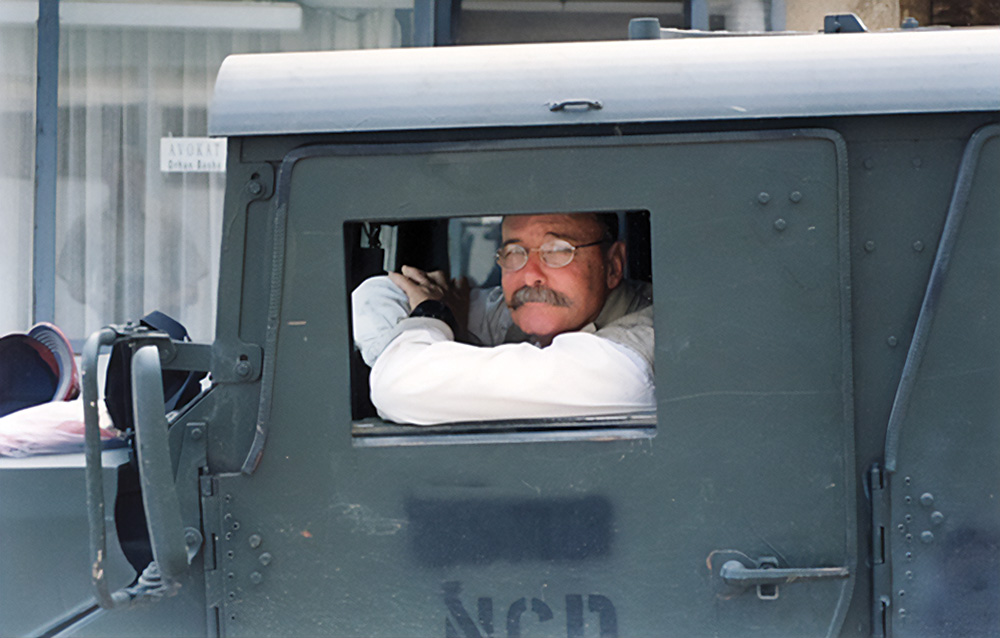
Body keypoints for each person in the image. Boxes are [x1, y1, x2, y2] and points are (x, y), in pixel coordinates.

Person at [352, 212, 653, 425]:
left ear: (613, 266)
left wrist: (432, 325)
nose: (530, 276)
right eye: (514, 252)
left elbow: (400, 388)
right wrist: (440, 335)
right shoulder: (531, 309)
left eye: (558, 251)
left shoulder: (641, 347)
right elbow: (379, 293)